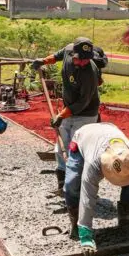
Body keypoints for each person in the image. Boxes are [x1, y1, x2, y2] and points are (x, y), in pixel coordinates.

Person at [64, 122, 129, 256]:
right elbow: (88, 197)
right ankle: (77, 227)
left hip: (110, 129)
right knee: (72, 185)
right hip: (83, 137)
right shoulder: (94, 162)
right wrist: (86, 234)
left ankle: (126, 223)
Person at [31, 37, 102, 191]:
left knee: (76, 150)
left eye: (87, 60)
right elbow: (57, 56)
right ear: (73, 55)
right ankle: (62, 185)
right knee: (60, 148)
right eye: (80, 59)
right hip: (67, 109)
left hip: (85, 114)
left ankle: (77, 188)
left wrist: (61, 116)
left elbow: (82, 103)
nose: (83, 63)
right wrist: (43, 61)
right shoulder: (69, 49)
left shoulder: (89, 73)